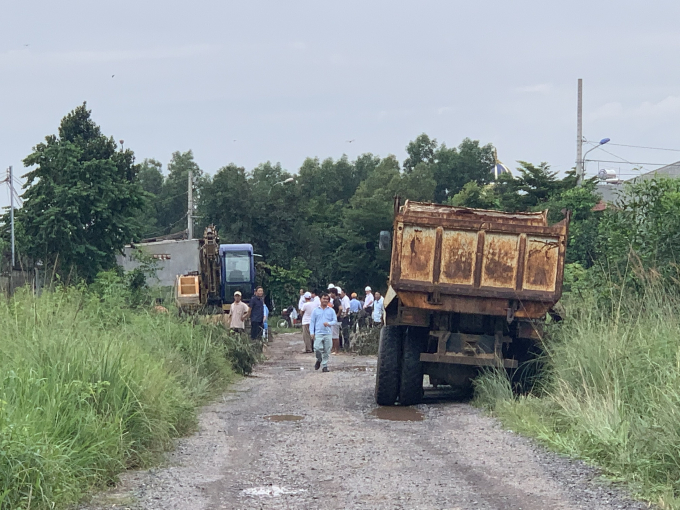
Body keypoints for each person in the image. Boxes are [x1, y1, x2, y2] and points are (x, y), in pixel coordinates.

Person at [309, 292, 337, 372]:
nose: (325, 300)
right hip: (318, 332)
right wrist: (312, 332)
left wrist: (329, 323)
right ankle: (319, 359)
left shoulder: (331, 310)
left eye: (327, 299)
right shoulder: (315, 310)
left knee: (327, 350)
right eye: (324, 298)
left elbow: (335, 321)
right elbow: (312, 322)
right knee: (317, 348)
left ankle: (324, 366)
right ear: (320, 299)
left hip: (328, 332)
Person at [329, 287, 342, 353]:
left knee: (335, 335)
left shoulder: (336, 300)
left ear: (334, 293)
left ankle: (336, 350)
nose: (330, 295)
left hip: (336, 320)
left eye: (331, 293)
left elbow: (340, 308)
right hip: (335, 320)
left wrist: (337, 315)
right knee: (333, 335)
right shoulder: (335, 300)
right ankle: (334, 349)